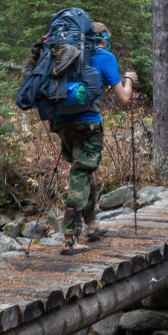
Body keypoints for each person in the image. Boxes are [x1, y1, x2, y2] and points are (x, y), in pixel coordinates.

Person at [52, 21, 137, 255]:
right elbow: (123, 99)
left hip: (61, 122)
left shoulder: (63, 52)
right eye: (105, 37)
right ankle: (69, 239)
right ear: (100, 38)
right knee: (81, 173)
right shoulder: (104, 57)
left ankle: (91, 225)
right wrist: (128, 79)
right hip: (88, 123)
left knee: (83, 169)